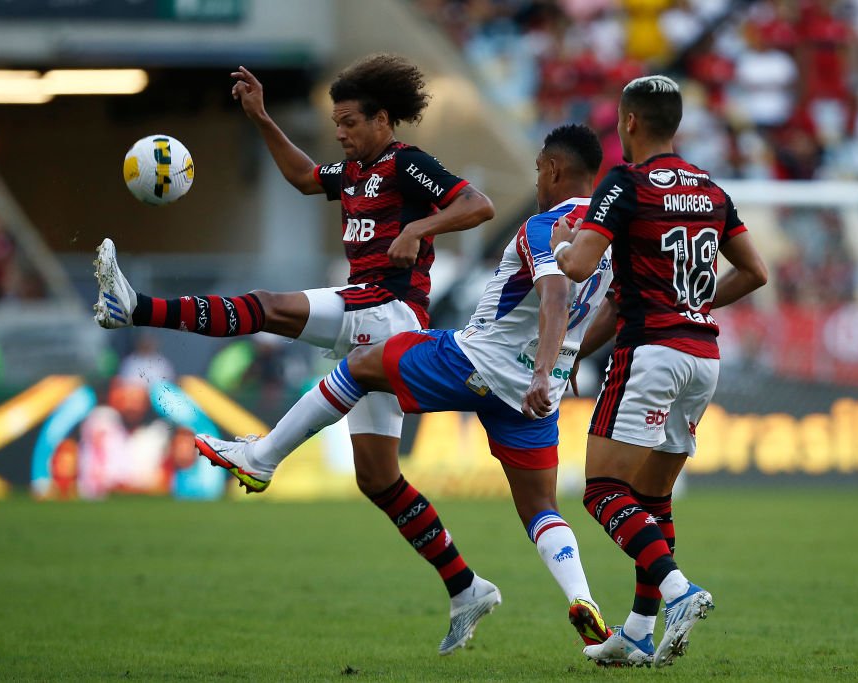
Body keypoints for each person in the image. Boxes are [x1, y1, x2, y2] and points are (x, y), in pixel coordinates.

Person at [93, 53, 496, 654]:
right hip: (372, 314)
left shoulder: (408, 164)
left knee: (272, 306)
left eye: (349, 122)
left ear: (383, 119)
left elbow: (480, 204)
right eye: (336, 123)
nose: (340, 132)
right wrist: (259, 116)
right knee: (378, 479)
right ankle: (467, 587)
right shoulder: (357, 169)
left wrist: (418, 230)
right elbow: (306, 177)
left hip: (388, 309)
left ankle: (140, 310)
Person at [195, 123, 618, 655]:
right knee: (539, 506)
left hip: (477, 360)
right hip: (537, 395)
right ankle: (581, 599)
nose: (536, 181)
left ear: (553, 170)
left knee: (361, 363)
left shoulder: (543, 227)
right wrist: (563, 364)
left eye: (537, 170)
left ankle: (262, 456)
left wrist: (543, 367)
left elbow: (554, 298)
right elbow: (611, 307)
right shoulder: (608, 239)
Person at [550, 75, 769, 668]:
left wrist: (564, 243)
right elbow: (755, 272)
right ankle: (640, 630)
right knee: (654, 499)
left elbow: (578, 266)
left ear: (628, 123)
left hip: (650, 354)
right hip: (702, 358)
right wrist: (690, 305)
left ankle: (679, 591)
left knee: (602, 492)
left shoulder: (627, 183)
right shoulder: (711, 190)